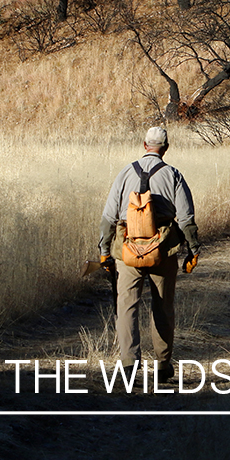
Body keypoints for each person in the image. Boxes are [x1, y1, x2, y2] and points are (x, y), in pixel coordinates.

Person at [98, 126, 199, 380]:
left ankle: (129, 364)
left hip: (127, 249)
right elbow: (186, 218)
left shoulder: (124, 173)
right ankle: (163, 366)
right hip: (162, 250)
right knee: (163, 307)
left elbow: (109, 217)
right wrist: (194, 249)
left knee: (127, 306)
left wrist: (103, 251)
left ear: (144, 145)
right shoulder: (173, 174)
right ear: (165, 148)